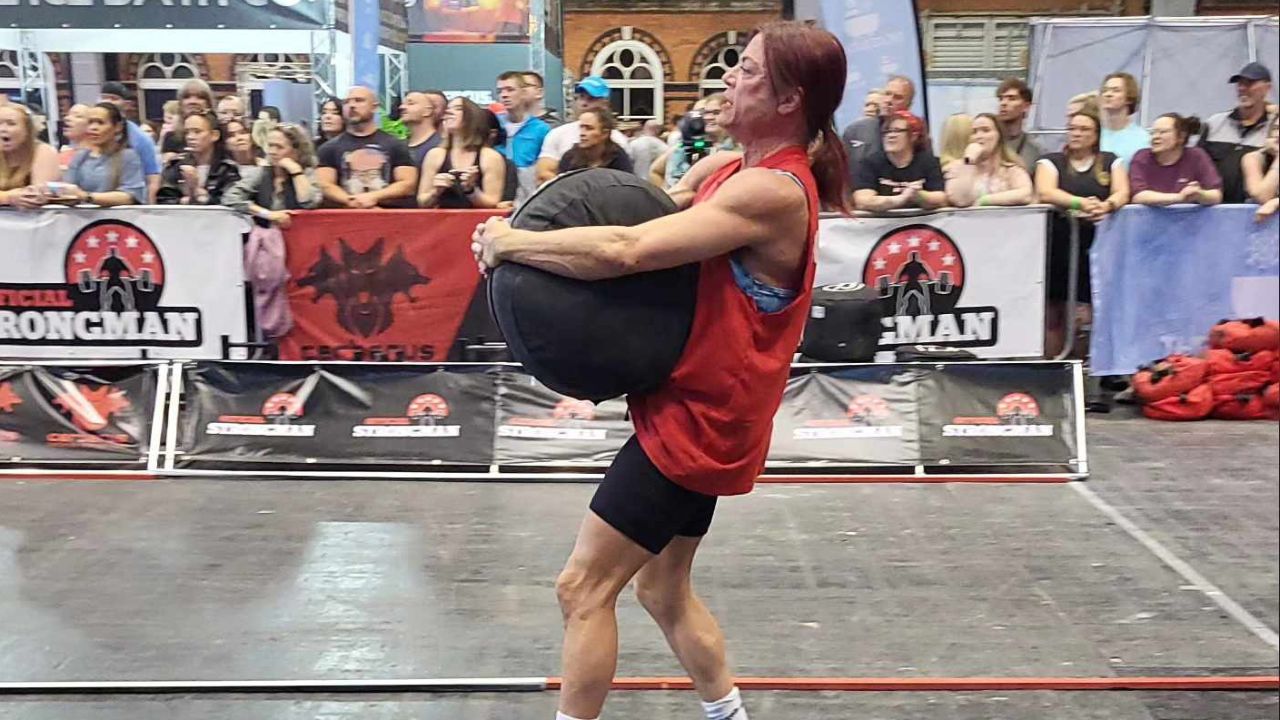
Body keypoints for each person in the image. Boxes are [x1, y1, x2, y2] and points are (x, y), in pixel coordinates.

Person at [471, 20, 849, 720]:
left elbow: (627, 249)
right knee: (661, 590)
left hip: (698, 425)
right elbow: (640, 215)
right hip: (702, 409)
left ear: (790, 99)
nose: (728, 77)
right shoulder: (734, 174)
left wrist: (512, 244)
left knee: (583, 589)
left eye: (748, 70)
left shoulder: (773, 192)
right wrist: (520, 242)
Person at [1034, 108, 1130, 357]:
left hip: (1098, 246)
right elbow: (1045, 191)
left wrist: (1107, 206)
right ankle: (1053, 364)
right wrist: (1080, 203)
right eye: (1072, 128)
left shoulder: (1110, 162)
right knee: (1054, 311)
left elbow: (1122, 192)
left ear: (1096, 135)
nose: (1076, 133)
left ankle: (1088, 364)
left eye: (1084, 129)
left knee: (1087, 311)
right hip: (1058, 245)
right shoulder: (1051, 161)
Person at [315, 86, 418, 209]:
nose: (352, 105)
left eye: (359, 100)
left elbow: (407, 184)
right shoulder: (329, 148)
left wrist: (373, 197)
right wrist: (351, 201)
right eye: (347, 102)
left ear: (374, 107)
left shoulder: (395, 145)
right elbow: (324, 184)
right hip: (345, 215)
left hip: (386, 215)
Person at [1202, 62, 1276, 204]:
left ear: (1267, 88)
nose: (1242, 88)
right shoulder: (1214, 123)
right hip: (1212, 212)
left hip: (1259, 212)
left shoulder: (1275, 129)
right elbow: (1196, 165)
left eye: (1250, 83)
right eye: (1240, 83)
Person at [536, 76, 630, 185]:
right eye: (581, 97)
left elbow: (626, 183)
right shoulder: (557, 135)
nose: (584, 103)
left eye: (591, 99)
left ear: (605, 103)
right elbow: (544, 173)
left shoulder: (618, 142)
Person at [224, 124, 322, 228]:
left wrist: (296, 171)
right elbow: (231, 198)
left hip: (300, 232)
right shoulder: (262, 172)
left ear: (296, 151)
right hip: (267, 234)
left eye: (279, 147)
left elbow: (309, 202)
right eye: (270, 146)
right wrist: (267, 214)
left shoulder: (307, 173)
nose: (272, 152)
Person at [417, 97, 507, 209]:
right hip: (443, 218)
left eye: (458, 108)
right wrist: (435, 192)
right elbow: (422, 201)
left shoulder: (490, 157)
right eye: (448, 108)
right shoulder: (435, 155)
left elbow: (492, 202)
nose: (449, 112)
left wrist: (471, 190)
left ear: (472, 117)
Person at [852, 110, 946, 212]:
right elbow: (863, 201)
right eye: (886, 131)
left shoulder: (929, 162)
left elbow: (941, 198)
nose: (890, 136)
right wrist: (900, 199)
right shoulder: (870, 163)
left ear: (914, 136)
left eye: (897, 131)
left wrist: (919, 196)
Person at [61, 102, 147, 207]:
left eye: (100, 123)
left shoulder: (128, 156)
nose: (93, 128)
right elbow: (69, 189)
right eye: (90, 122)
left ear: (118, 127)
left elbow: (130, 196)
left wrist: (87, 197)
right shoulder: (80, 156)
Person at [1129, 113, 1222, 207]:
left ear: (1181, 136)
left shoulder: (1197, 156)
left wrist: (1200, 194)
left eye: (1163, 132)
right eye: (1153, 132)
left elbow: (1216, 195)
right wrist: (1180, 197)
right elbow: (1138, 196)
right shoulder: (1142, 157)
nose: (1155, 137)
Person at [943, 113, 1034, 207]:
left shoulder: (1012, 170)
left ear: (999, 136)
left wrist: (985, 200)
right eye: (974, 132)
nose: (979, 136)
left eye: (986, 130)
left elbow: (1025, 195)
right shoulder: (956, 167)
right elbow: (960, 200)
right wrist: (969, 162)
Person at [652, 93, 737, 189]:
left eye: (716, 112)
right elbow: (656, 171)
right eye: (705, 113)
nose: (707, 117)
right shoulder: (686, 146)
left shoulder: (739, 145)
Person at [156, 110, 241, 205]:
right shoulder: (176, 165)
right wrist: (187, 199)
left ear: (214, 135)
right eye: (187, 132)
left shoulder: (227, 168)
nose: (190, 137)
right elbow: (164, 199)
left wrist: (197, 191)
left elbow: (230, 201)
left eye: (197, 132)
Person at [99, 81, 162, 202]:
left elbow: (152, 177)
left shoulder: (141, 138)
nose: (108, 102)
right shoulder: (90, 134)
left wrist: (150, 208)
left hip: (130, 200)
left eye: (114, 99)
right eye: (104, 97)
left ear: (126, 104)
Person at [841, 74, 916, 173]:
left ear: (908, 104)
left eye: (898, 97)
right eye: (887, 94)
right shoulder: (855, 130)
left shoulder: (915, 134)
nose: (889, 100)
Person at [496, 71, 552, 202]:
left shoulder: (541, 129)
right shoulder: (492, 123)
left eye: (510, 90)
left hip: (527, 195)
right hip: (496, 192)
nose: (504, 95)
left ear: (523, 93)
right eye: (500, 91)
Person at [0, 102, 60, 209]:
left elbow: (36, 196)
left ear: (27, 130)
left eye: (11, 124)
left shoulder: (43, 151)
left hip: (35, 217)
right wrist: (8, 198)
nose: (3, 129)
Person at [558, 109, 634, 174]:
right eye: (581, 127)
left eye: (589, 128)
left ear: (605, 133)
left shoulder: (618, 158)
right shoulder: (570, 157)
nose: (582, 133)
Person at [1099, 72, 1149, 165]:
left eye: (1116, 90)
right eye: (1105, 90)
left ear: (1129, 98)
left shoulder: (1144, 139)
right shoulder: (1093, 135)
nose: (1108, 94)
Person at [995, 77, 1043, 171]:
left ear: (1026, 106)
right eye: (1001, 99)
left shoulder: (1035, 149)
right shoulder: (990, 142)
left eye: (1011, 98)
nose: (1003, 103)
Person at [1242, 116, 1278, 221]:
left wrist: (1276, 202)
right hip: (1258, 223)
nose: (1278, 134)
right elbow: (1263, 196)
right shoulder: (1253, 158)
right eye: (1276, 128)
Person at [400, 90, 447, 167]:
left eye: (411, 103)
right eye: (403, 104)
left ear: (427, 111)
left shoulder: (442, 145)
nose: (402, 107)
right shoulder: (398, 146)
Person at [58, 103, 91, 172]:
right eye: (68, 115)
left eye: (78, 116)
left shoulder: (95, 156)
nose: (67, 118)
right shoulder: (63, 154)